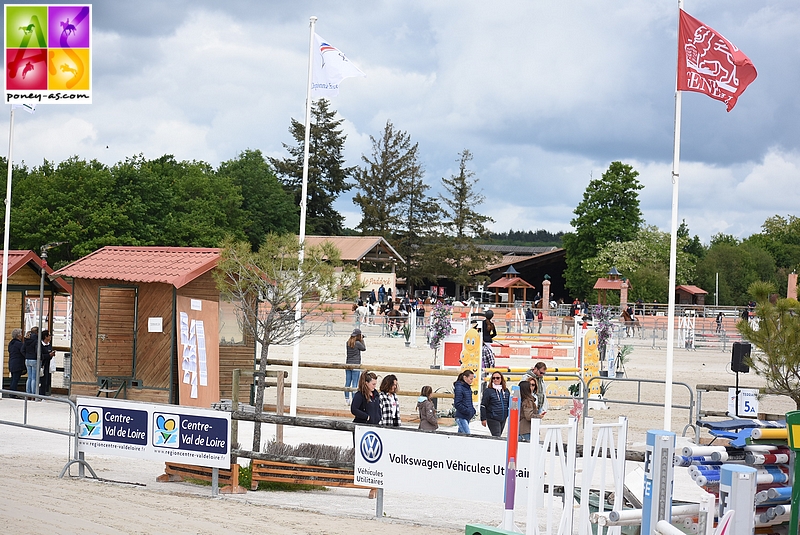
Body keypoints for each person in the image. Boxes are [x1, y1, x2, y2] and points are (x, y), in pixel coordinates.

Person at [480, 371, 510, 437]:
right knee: (497, 436)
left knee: (498, 436)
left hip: (503, 417)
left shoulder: (506, 391)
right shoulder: (488, 391)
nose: (495, 379)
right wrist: (483, 419)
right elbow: (483, 405)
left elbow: (508, 404)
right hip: (492, 418)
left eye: (497, 378)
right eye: (493, 378)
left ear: (501, 379)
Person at [345, 329, 366, 405]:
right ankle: (354, 399)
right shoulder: (357, 343)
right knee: (355, 383)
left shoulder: (348, 343)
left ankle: (347, 399)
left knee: (347, 382)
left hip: (348, 364)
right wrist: (362, 340)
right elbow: (364, 348)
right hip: (356, 364)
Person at [453, 370, 476, 434]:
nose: (472, 381)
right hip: (462, 416)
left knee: (461, 436)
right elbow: (457, 403)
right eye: (470, 379)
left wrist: (472, 410)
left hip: (466, 416)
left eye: (472, 379)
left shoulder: (467, 387)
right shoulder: (459, 387)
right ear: (465, 378)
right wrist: (468, 411)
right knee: (467, 434)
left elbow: (468, 401)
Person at [7, 328, 25, 396]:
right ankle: (12, 394)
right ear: (18, 335)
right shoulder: (19, 344)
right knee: (15, 379)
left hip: (12, 362)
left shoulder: (11, 343)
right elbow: (23, 352)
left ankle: (12, 393)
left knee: (13, 379)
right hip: (18, 363)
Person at [39, 329, 55, 396]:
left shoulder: (49, 345)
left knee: (47, 380)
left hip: (48, 364)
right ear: (45, 336)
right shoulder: (40, 345)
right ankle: (41, 394)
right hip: (42, 364)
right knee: (42, 380)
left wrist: (52, 355)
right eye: (49, 335)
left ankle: (45, 393)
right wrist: (48, 355)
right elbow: (40, 355)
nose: (50, 337)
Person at [23, 327, 39, 397]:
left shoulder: (27, 339)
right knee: (34, 378)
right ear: (37, 332)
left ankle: (28, 393)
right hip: (34, 359)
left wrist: (26, 355)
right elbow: (37, 350)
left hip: (27, 359)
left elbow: (22, 349)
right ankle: (33, 394)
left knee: (29, 377)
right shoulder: (36, 340)